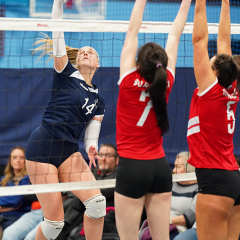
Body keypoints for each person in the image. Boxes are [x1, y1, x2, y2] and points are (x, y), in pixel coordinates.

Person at [25, 0, 106, 239]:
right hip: (42, 147)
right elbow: (57, 29)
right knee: (53, 224)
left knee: (98, 205)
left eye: (91, 51)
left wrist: (92, 147)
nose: (85, 51)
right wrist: (58, 2)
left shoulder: (99, 100)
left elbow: (92, 134)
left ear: (98, 63)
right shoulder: (65, 74)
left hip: (69, 151)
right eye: (82, 50)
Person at [114, 0, 192, 239]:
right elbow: (175, 35)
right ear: (162, 64)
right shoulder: (166, 80)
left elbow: (132, 31)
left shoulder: (128, 79)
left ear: (138, 64)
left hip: (132, 168)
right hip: (160, 167)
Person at [187, 0, 240, 239]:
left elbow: (199, 40)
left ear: (215, 73)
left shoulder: (210, 90)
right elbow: (224, 43)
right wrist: (226, 2)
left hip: (214, 179)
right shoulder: (232, 86)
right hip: (232, 177)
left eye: (210, 66)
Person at [57, 143, 119, 240]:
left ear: (117, 160)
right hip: (77, 213)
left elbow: (105, 192)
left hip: (103, 218)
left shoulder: (119, 176)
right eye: (101, 155)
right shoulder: (91, 173)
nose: (103, 159)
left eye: (108, 155)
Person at [139, 151, 198, 240]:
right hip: (157, 225)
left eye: (178, 167)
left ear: (189, 168)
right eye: (174, 166)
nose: (173, 170)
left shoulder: (198, 189)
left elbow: (192, 216)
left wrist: (169, 221)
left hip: (177, 229)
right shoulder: (170, 185)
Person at [0, 147, 30, 230]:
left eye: (21, 157)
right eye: (14, 157)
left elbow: (16, 201)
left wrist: (3, 206)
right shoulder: (3, 179)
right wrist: (7, 207)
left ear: (25, 160)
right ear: (10, 161)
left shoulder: (27, 179)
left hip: (16, 216)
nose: (18, 160)